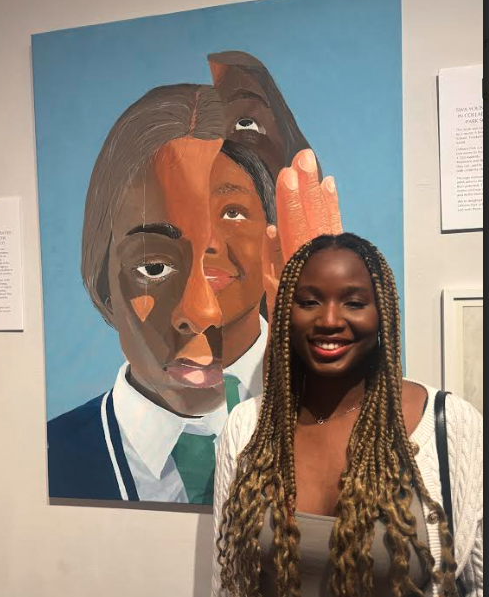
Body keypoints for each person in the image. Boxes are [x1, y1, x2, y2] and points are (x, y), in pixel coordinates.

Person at [47, 58, 341, 504]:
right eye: (153, 269)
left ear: (275, 250)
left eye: (219, 265)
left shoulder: (348, 427)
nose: (200, 312)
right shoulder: (55, 458)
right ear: (104, 283)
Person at [212, 233, 483, 596]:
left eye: (354, 303)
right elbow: (228, 582)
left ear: (382, 313)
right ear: (287, 314)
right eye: (309, 301)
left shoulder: (449, 424)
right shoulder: (248, 427)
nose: (329, 320)